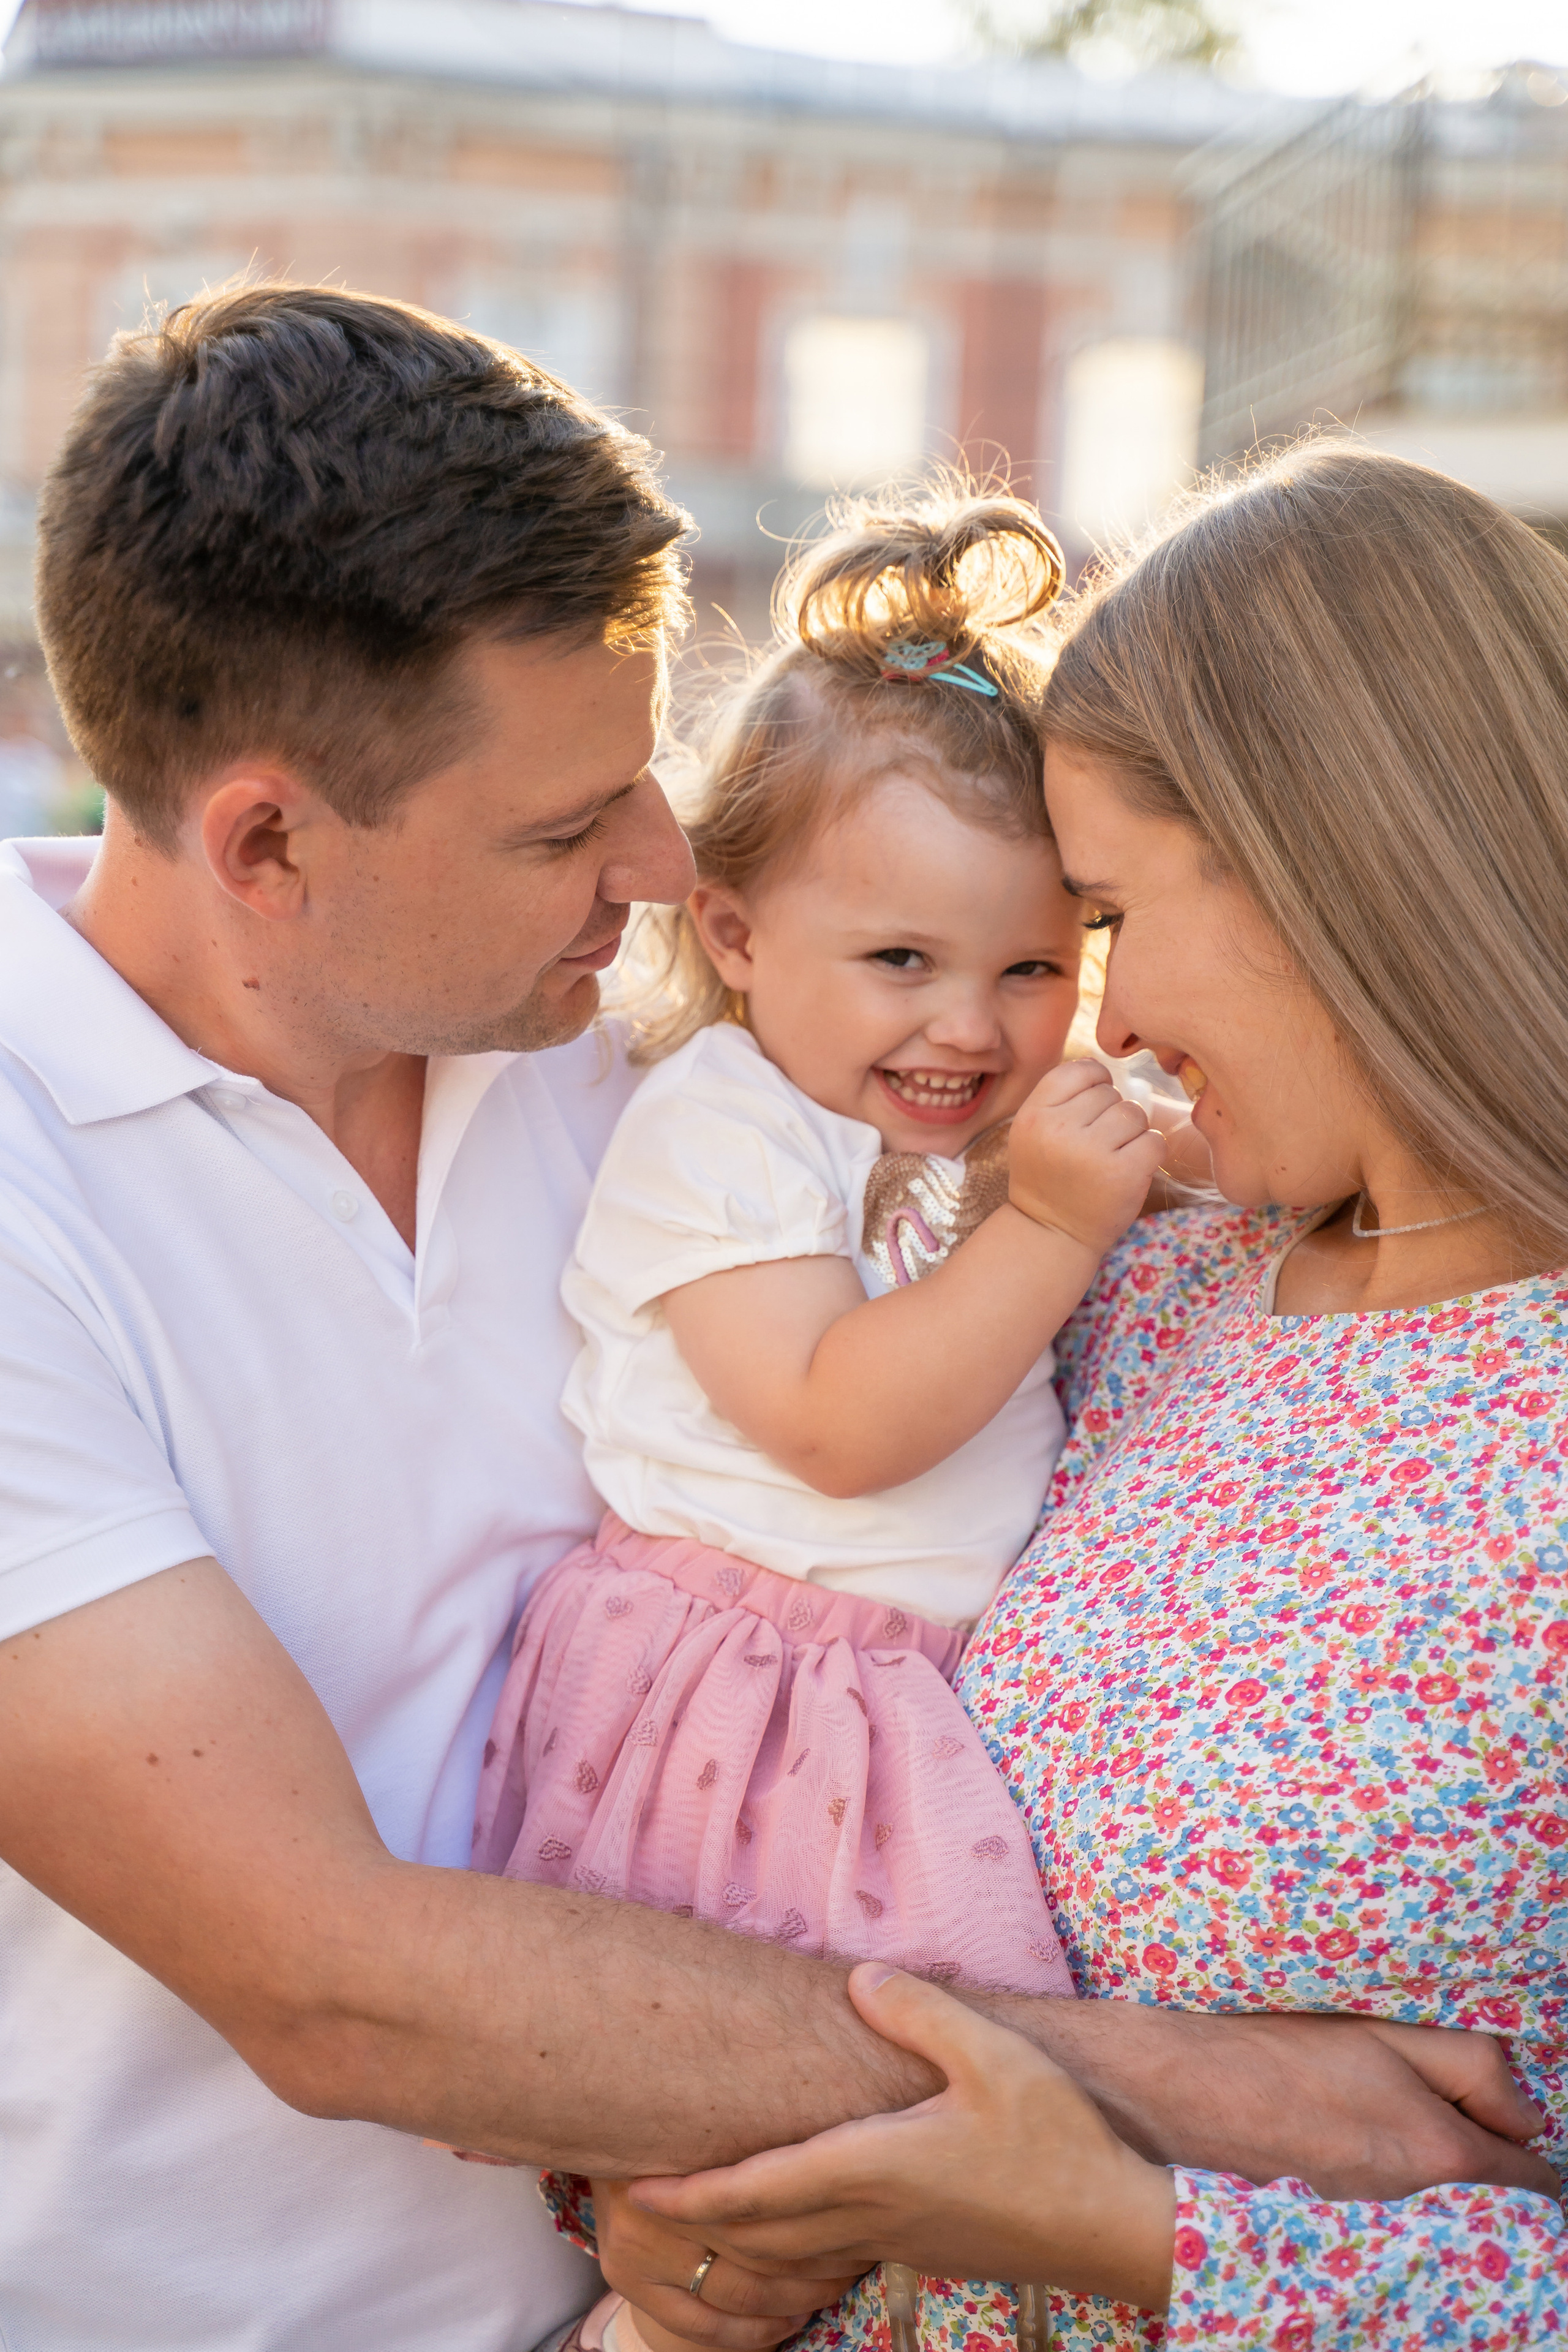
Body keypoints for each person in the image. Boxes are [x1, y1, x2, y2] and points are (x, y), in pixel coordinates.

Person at [0, 292, 1550, 2352]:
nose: (664, 868)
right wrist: (1172, 2091)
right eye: (569, 829)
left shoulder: (654, 1056)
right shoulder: (44, 1190)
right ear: (269, 842)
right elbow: (327, 1976)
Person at [627, 441, 1568, 2347]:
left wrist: (1127, 2225)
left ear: (1348, 875)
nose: (1106, 1026)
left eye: (1107, 922)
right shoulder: (1149, 1287)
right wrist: (699, 2235)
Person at [468, 489, 1197, 2352]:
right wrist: (1050, 1223)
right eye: (902, 963)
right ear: (730, 928)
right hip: (746, 1700)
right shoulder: (718, 1128)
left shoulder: (940, 1139)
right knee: (797, 2141)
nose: (974, 1022)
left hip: (878, 1704)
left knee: (917, 2164)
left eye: (1037, 967)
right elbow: (830, 1424)